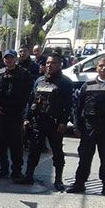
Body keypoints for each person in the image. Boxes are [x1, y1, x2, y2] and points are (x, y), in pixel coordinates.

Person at [16, 53, 74, 190]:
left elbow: (68, 104)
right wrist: (26, 118)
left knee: (57, 152)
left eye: (53, 63)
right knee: (34, 150)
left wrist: (63, 122)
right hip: (38, 121)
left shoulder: (65, 83)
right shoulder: (39, 80)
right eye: (48, 63)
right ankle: (29, 176)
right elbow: (31, 100)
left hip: (55, 123)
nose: (49, 65)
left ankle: (58, 180)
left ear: (60, 65)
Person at [66, 57, 105, 195]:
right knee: (84, 157)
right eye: (101, 66)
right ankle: (79, 183)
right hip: (89, 127)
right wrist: (76, 126)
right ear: (96, 68)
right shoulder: (87, 85)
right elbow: (78, 108)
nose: (103, 68)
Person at [0, 49, 32, 179]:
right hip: (0, 115)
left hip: (16, 115)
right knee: (0, 144)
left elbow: (29, 95)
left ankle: (17, 170)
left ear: (16, 59)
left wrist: (25, 115)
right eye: (6, 58)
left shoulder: (24, 74)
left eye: (11, 58)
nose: (9, 60)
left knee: (16, 145)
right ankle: (3, 168)